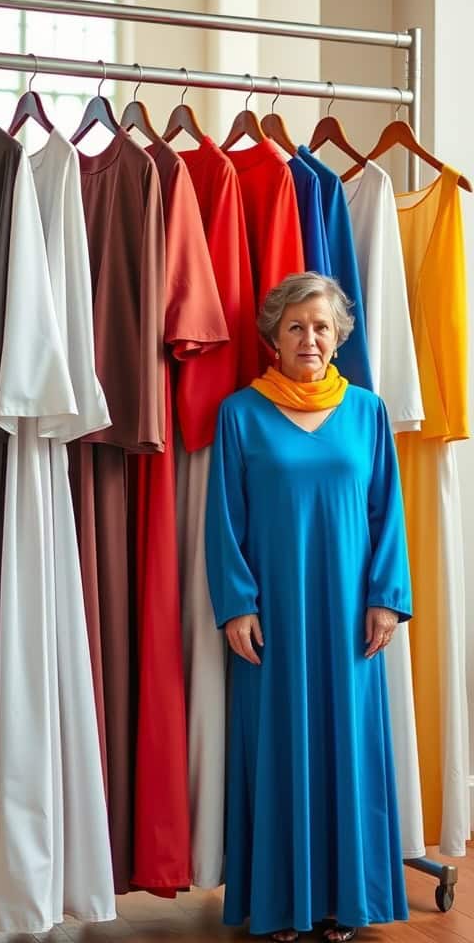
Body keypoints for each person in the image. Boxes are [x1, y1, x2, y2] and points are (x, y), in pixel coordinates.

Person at [205, 272, 411, 943]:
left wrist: (387, 599)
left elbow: (388, 515)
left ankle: (344, 903)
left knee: (346, 747)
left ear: (340, 335)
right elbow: (224, 519)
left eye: (321, 326)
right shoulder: (241, 413)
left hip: (351, 616)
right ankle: (282, 904)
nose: (310, 339)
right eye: (296, 326)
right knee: (276, 749)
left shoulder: (368, 412)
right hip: (273, 620)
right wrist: (236, 604)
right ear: (273, 336)